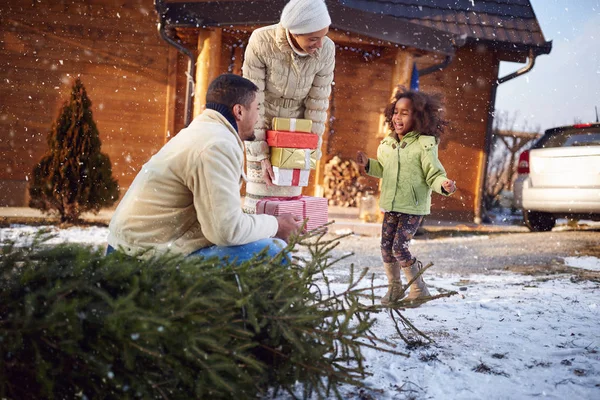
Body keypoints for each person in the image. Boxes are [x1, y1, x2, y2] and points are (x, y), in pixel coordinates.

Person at [107, 74, 302, 262]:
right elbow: (226, 231)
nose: (258, 118)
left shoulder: (205, 133)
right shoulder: (216, 146)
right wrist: (276, 225)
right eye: (257, 108)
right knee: (273, 251)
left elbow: (219, 223)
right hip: (142, 259)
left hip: (135, 248)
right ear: (239, 111)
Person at [356, 88, 457, 305]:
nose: (398, 117)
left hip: (412, 206)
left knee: (399, 247)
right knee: (385, 248)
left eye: (405, 113)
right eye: (396, 112)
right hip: (391, 204)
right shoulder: (388, 144)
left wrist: (444, 185)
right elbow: (384, 169)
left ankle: (419, 289)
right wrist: (368, 165)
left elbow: (434, 174)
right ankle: (395, 288)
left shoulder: (424, 145)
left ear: (418, 118)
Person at [242, 0, 335, 213]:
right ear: (295, 32)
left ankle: (284, 246)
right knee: (260, 202)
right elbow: (253, 99)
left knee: (289, 206)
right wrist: (260, 153)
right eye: (313, 38)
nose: (320, 44)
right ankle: (258, 245)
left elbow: (318, 103)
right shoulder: (261, 40)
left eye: (324, 36)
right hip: (262, 123)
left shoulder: (327, 49)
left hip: (297, 132)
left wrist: (311, 147)